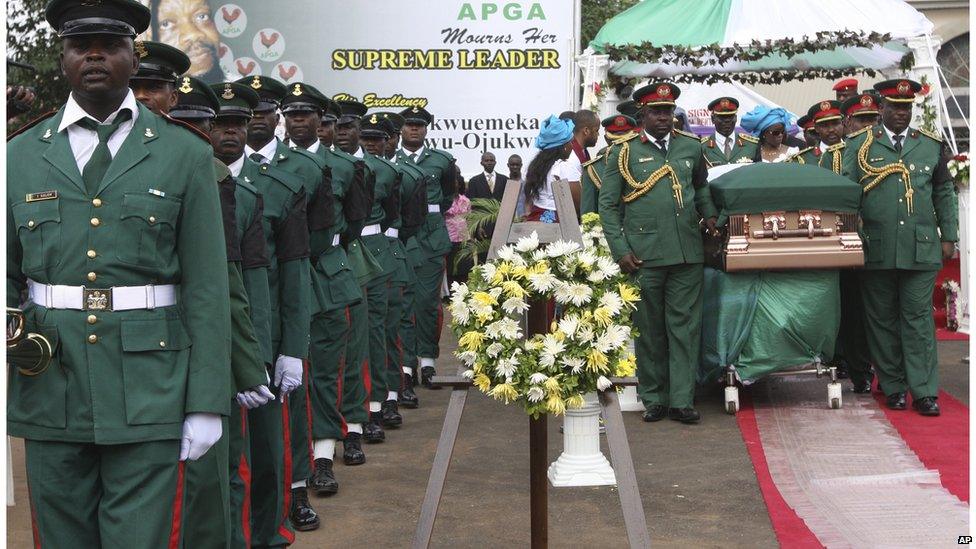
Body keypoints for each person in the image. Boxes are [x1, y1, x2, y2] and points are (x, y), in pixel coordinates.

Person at [7, 1, 230, 546]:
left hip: (150, 384)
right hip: (50, 382)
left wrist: (206, 401)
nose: (95, 56)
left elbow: (206, 287)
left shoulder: (184, 154)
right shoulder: (18, 157)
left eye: (110, 45)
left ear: (133, 57)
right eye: (81, 46)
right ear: (62, 59)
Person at [131, 45, 273, 549]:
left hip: (190, 345)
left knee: (207, 485)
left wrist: (243, 363)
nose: (146, 97)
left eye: (156, 88)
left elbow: (223, 280)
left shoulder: (204, 168)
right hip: (125, 351)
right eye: (137, 86)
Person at [599, 82, 719, 425]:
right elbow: (608, 207)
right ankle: (654, 398)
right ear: (643, 115)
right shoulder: (623, 153)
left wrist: (709, 215)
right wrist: (619, 249)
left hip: (686, 253)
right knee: (649, 331)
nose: (664, 118)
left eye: (668, 111)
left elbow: (700, 186)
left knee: (684, 328)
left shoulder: (690, 147)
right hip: (644, 255)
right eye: (656, 112)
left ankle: (682, 399)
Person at [842, 78, 958, 416]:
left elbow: (943, 191)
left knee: (918, 318)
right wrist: (853, 233)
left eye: (906, 108)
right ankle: (893, 386)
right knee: (881, 318)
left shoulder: (929, 145)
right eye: (894, 108)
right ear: (880, 108)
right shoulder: (860, 145)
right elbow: (849, 194)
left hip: (920, 247)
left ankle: (924, 391)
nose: (901, 114)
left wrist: (949, 235)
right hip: (875, 244)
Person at [280, 83, 374, 471]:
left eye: (306, 114)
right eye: (292, 114)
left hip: (327, 269)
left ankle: (325, 449)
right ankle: (296, 458)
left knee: (330, 363)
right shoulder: (273, 165)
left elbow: (354, 223)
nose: (299, 121)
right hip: (284, 273)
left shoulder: (345, 167)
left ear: (322, 120)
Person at [336, 99, 405, 440]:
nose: (345, 131)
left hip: (372, 251)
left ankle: (375, 403)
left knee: (374, 331)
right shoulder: (328, 165)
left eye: (350, 125)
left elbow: (396, 217)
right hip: (336, 252)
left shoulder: (385, 171)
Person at [362, 112, 426, 410]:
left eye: (380, 139)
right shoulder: (357, 168)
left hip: (391, 249)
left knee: (393, 325)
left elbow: (411, 219)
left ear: (393, 140)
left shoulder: (404, 174)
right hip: (364, 249)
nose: (375, 145)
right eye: (369, 139)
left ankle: (394, 386)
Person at [396, 106, 456, 388]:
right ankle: (406, 366)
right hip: (401, 238)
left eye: (419, 125)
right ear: (401, 129)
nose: (414, 129)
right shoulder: (391, 159)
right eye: (409, 125)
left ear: (426, 129)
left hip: (431, 236)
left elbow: (447, 196)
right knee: (403, 303)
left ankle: (428, 362)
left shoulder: (441, 161)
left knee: (427, 303)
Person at [152, 0, 225, 82]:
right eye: (166, 24)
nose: (193, 35)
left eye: (202, 16)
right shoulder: (137, 93)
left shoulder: (239, 90)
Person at [580, 114, 638, 215]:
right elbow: (588, 215)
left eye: (625, 142)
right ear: (606, 139)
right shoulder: (593, 169)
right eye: (617, 143)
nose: (621, 147)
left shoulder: (647, 162)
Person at [523, 115, 575, 222]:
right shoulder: (563, 167)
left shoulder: (535, 166)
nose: (572, 146)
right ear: (563, 145)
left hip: (535, 218)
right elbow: (577, 203)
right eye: (571, 142)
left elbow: (529, 199)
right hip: (559, 222)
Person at [700, 96, 759, 167]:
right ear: (713, 119)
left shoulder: (752, 145)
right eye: (722, 117)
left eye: (730, 116)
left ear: (736, 118)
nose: (727, 120)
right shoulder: (701, 147)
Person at [788, 100, 846, 173]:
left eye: (835, 124)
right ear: (816, 128)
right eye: (825, 126)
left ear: (843, 124)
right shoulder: (803, 159)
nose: (831, 129)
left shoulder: (853, 151)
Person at [563, 108, 600, 184]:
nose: (598, 134)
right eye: (596, 130)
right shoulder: (571, 157)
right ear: (586, 131)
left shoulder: (583, 152)